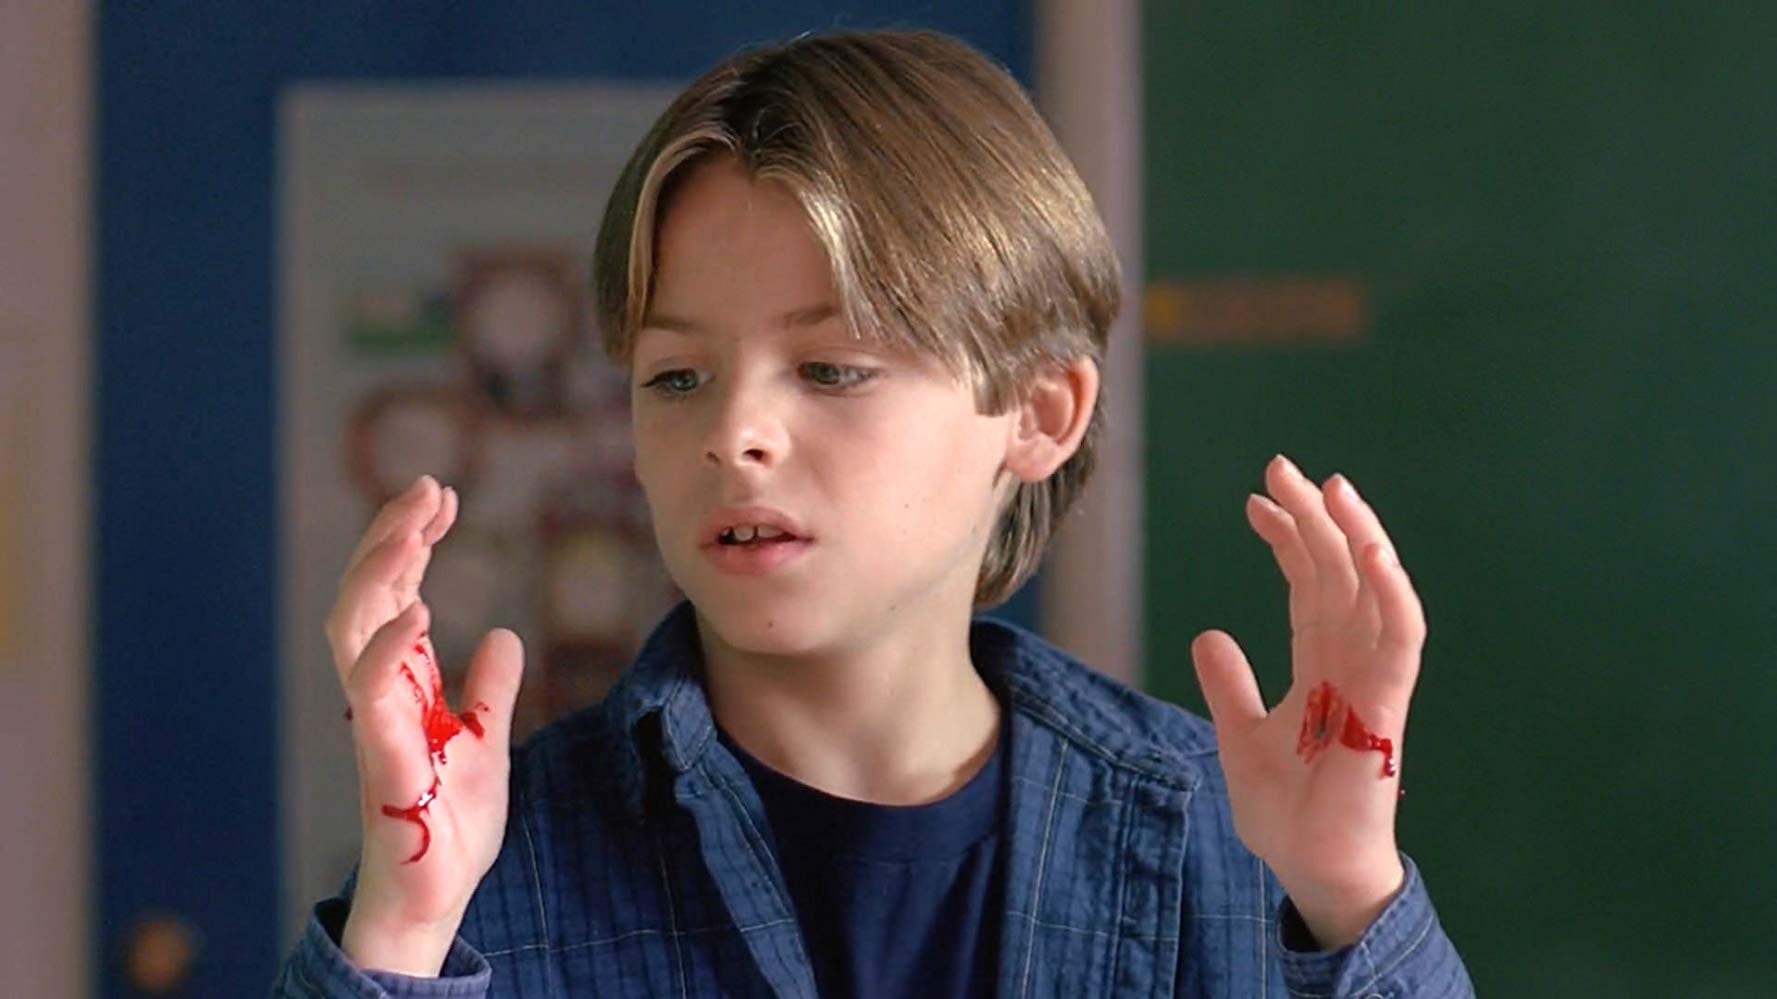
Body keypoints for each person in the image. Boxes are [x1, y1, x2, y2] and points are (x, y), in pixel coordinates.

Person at [275, 29, 1473, 998]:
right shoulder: (488, 860)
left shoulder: (1230, 841)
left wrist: (1348, 897)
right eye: (676, 377)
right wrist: (402, 933)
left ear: (1038, 413)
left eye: (831, 369)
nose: (733, 432)